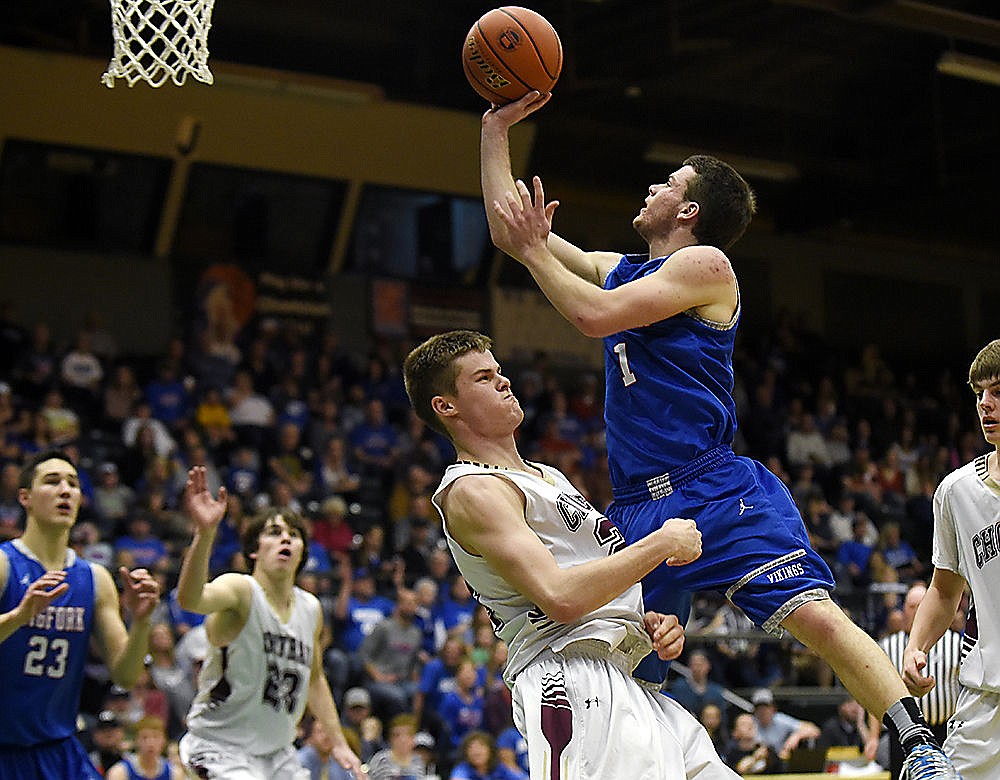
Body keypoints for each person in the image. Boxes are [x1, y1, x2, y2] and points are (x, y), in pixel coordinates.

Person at [480, 91, 960, 779]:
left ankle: (916, 748)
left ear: (689, 212)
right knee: (631, 670)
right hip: (638, 508)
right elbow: (510, 231)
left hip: (713, 485)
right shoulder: (629, 267)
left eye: (667, 184)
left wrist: (534, 252)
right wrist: (495, 130)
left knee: (813, 616)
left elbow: (591, 315)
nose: (650, 187)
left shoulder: (707, 267)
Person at [403, 330, 736, 779]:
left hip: (622, 673)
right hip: (568, 676)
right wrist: (658, 544)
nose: (504, 382)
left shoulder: (547, 475)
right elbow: (559, 597)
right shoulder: (473, 489)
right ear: (446, 406)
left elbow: (589, 577)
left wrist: (643, 622)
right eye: (484, 378)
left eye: (499, 372)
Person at [174, 466, 366, 779]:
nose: (285, 539)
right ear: (254, 549)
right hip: (220, 746)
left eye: (293, 534)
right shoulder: (241, 590)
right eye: (274, 533)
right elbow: (191, 600)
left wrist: (339, 742)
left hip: (276, 755)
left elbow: (314, 679)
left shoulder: (310, 608)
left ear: (303, 551)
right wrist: (205, 534)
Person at [0, 449, 161, 779]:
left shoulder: (95, 579)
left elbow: (126, 675)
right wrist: (20, 615)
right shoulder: (4, 566)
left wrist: (142, 621)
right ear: (25, 497)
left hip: (58, 748)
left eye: (73, 483)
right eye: (52, 481)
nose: (65, 490)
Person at [902, 339, 1000, 780]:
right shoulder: (957, 492)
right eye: (979, 393)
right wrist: (916, 646)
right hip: (986, 700)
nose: (986, 405)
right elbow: (944, 590)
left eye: (998, 391)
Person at [870, 582, 963, 779]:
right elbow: (874, 692)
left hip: (945, 732)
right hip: (901, 734)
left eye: (921, 605)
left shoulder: (955, 643)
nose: (917, 612)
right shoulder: (887, 647)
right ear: (903, 610)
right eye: (912, 607)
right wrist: (873, 737)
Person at [750, 688, 820, 761]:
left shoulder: (779, 719)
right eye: (759, 708)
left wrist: (796, 736)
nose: (762, 712)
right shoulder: (749, 722)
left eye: (765, 707)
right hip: (756, 762)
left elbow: (814, 730)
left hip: (780, 762)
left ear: (773, 708)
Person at [106, 714, 182, 780]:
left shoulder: (175, 773)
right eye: (144, 737)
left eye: (156, 737)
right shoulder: (119, 772)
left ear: (164, 740)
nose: (150, 743)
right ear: (136, 741)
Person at [366, 713, 427, 779]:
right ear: (390, 738)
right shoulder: (380, 759)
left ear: (414, 738)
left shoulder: (418, 762)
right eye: (397, 735)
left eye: (407, 734)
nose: (402, 740)